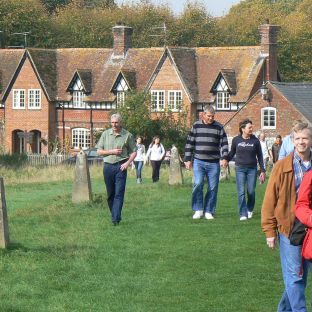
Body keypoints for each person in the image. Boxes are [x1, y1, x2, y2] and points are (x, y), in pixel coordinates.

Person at [261, 122, 312, 312]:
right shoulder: (282, 166)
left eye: (305, 138)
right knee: (295, 276)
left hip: (310, 227)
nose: (301, 142)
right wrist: (269, 231)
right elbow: (269, 200)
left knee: (300, 277)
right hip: (289, 227)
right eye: (297, 138)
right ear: (292, 140)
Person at [184, 105, 228, 220]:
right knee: (198, 184)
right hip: (199, 161)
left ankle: (209, 210)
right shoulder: (196, 125)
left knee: (213, 187)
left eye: (212, 116)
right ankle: (198, 209)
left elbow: (224, 143)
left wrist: (224, 158)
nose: (211, 118)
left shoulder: (219, 127)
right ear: (203, 115)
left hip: (213, 163)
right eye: (209, 116)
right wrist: (187, 159)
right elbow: (190, 143)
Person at [96, 113, 137, 226]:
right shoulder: (105, 134)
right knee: (110, 194)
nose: (114, 125)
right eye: (112, 122)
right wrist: (111, 152)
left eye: (116, 122)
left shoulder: (127, 135)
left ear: (120, 123)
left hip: (121, 167)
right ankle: (114, 214)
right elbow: (99, 151)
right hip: (108, 166)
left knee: (119, 193)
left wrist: (128, 163)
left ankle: (115, 219)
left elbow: (134, 151)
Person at [227, 119, 266, 221]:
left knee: (251, 191)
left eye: (251, 127)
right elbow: (232, 152)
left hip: (252, 169)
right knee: (241, 192)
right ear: (243, 129)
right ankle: (243, 213)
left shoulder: (255, 141)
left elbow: (260, 156)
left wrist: (262, 170)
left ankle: (249, 209)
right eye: (249, 127)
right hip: (239, 168)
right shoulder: (236, 140)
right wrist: (225, 159)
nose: (251, 129)